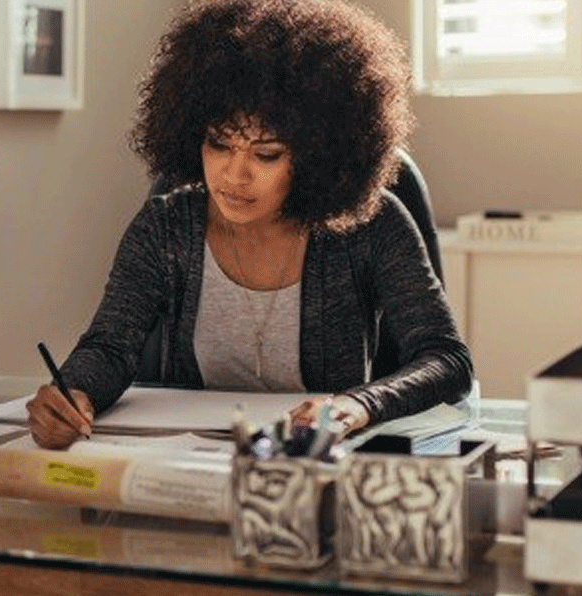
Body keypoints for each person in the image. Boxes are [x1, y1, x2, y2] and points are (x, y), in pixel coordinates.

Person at [25, 0, 473, 449]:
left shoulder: (372, 226)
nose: (234, 175)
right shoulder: (166, 227)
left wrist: (356, 406)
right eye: (219, 144)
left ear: (317, 154)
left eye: (266, 155)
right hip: (191, 466)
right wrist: (74, 393)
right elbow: (110, 347)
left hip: (317, 472)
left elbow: (446, 358)